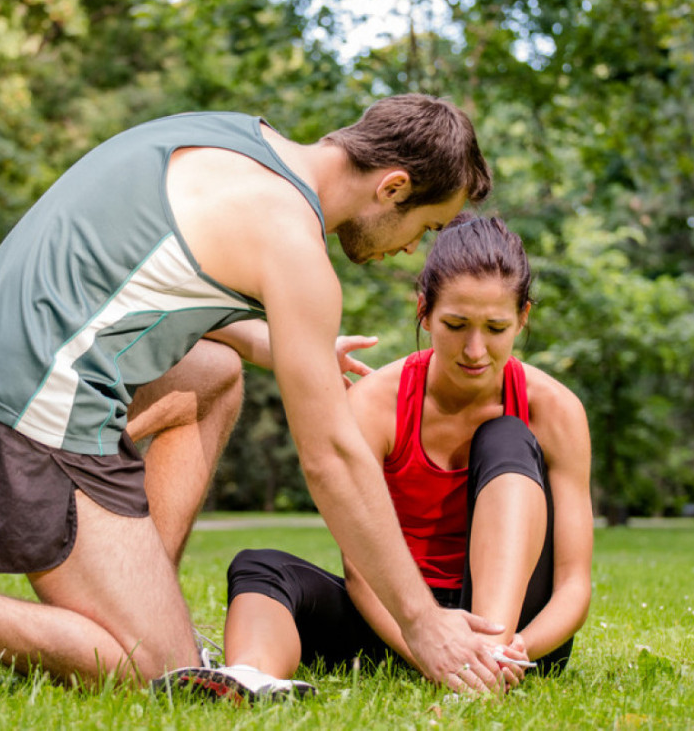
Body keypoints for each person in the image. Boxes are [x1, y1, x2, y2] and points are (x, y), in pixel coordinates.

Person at [0, 94, 508, 695]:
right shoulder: (292, 241)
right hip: (24, 407)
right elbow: (331, 459)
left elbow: (131, 269)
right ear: (391, 188)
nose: (413, 247)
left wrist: (266, 341)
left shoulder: (233, 137)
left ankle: (140, 600)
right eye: (427, 226)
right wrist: (423, 623)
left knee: (213, 375)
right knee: (151, 672)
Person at [199, 215, 593, 697]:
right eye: (455, 324)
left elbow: (574, 582)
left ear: (523, 317)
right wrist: (431, 650)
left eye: (496, 328)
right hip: (403, 619)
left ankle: (485, 661)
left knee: (506, 436)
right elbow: (361, 573)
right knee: (259, 566)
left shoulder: (554, 409)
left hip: (515, 634)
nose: (475, 349)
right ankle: (252, 678)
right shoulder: (375, 404)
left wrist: (514, 650)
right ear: (425, 312)